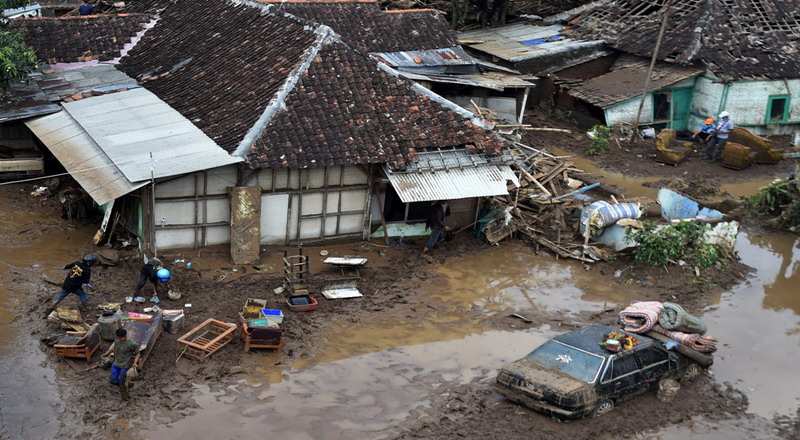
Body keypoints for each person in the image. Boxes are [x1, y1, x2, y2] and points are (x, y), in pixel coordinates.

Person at [103, 328, 141, 401]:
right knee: (112, 380)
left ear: (125, 336)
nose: (120, 339)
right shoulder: (117, 341)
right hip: (116, 363)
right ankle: (129, 384)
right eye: (118, 337)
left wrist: (135, 363)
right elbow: (114, 347)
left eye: (121, 337)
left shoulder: (132, 344)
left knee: (122, 383)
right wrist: (107, 353)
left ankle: (125, 397)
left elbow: (138, 354)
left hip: (125, 365)